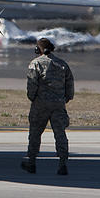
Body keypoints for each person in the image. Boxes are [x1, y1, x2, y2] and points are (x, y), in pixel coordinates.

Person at [21, 37, 74, 175]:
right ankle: (63, 164)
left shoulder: (36, 63)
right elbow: (70, 84)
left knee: (35, 133)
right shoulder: (62, 64)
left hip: (41, 104)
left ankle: (31, 162)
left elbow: (32, 83)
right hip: (58, 104)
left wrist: (32, 97)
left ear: (38, 50)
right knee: (60, 133)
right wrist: (65, 99)